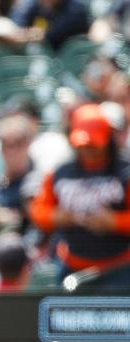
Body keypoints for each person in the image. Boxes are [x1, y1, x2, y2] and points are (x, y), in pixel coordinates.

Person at [30, 103, 130, 289]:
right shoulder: (61, 173)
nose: (88, 151)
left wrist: (114, 221)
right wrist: (57, 217)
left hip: (119, 269)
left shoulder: (124, 172)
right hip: (71, 266)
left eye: (94, 146)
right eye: (84, 146)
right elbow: (38, 211)